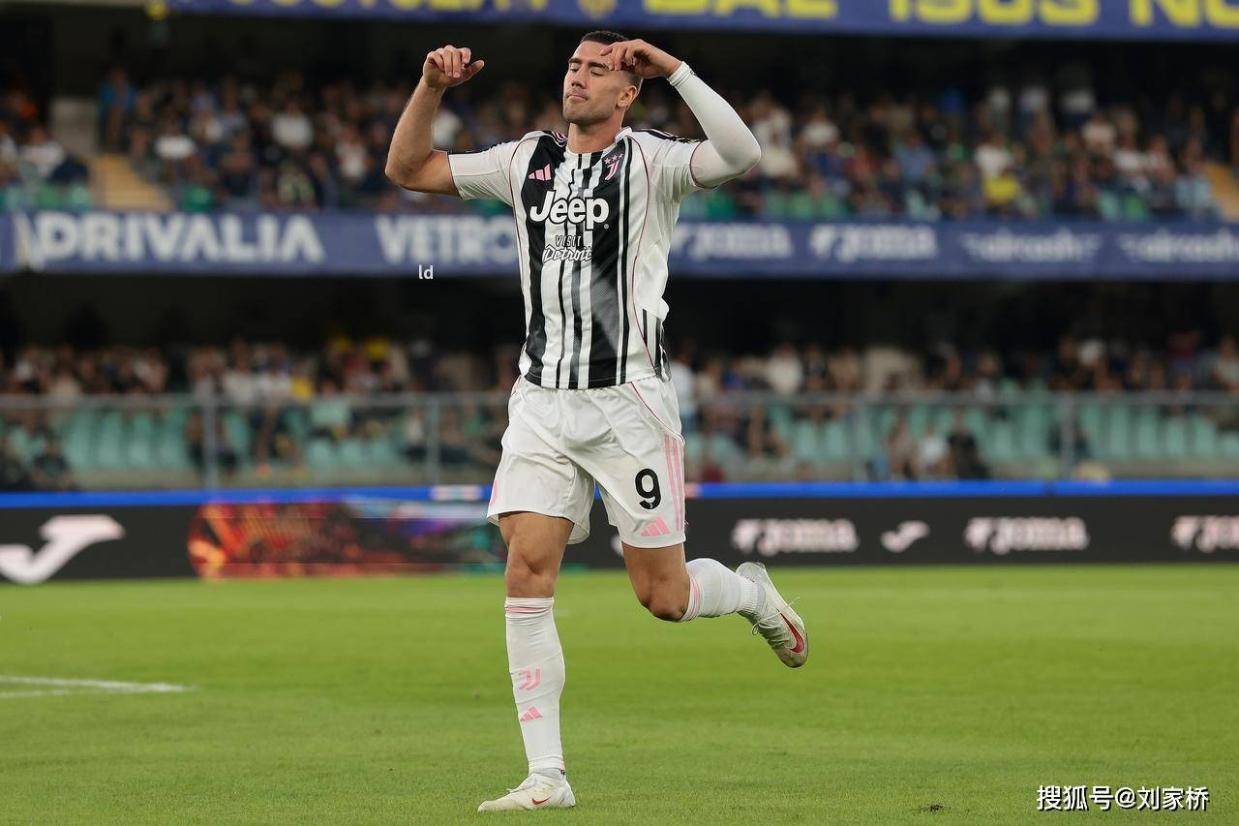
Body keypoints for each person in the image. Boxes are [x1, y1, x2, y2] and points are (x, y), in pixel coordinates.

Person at [386, 31, 808, 813]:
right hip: (542, 402)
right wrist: (431, 89)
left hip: (628, 406)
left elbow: (741, 153)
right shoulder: (524, 160)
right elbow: (409, 169)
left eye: (597, 70)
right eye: (573, 66)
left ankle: (751, 596)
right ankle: (546, 776)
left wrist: (675, 68)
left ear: (628, 92)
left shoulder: (652, 162)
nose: (577, 78)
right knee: (526, 569)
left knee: (664, 598)